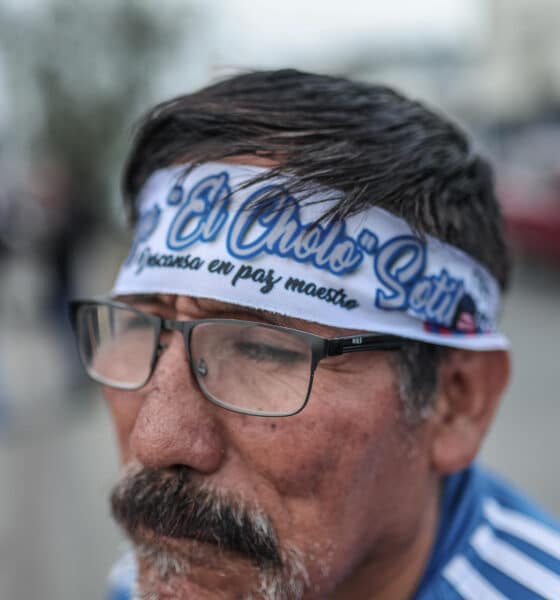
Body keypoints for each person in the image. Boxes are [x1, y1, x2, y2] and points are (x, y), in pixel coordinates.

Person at [70, 70, 560, 600]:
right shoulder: (168, 563)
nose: (155, 439)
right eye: (144, 327)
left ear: (455, 401)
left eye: (259, 349)